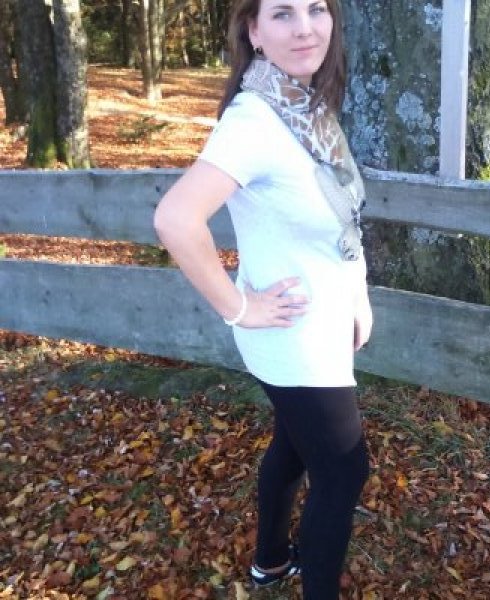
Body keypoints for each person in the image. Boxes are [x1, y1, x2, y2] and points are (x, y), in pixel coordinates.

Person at [153, 0, 372, 597]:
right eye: (282, 14)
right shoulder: (255, 120)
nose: (305, 27)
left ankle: (271, 561)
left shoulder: (302, 105)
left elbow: (339, 219)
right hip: (292, 338)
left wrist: (356, 294)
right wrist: (240, 308)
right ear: (253, 30)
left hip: (318, 325)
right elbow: (176, 219)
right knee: (344, 469)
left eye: (316, 9)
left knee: (294, 447)